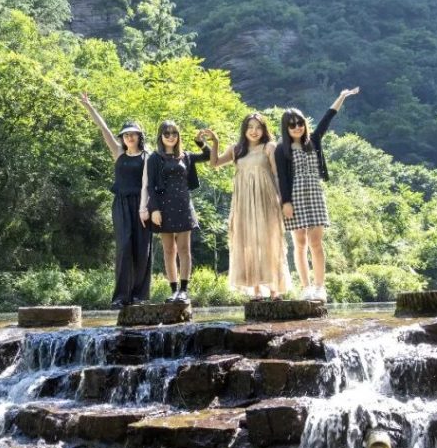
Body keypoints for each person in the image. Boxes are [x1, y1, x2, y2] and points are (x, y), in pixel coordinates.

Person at [276, 88, 359, 300]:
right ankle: (306, 287)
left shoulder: (313, 140)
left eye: (300, 123)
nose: (297, 127)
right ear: (286, 128)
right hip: (294, 198)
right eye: (292, 124)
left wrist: (342, 97)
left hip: (315, 195)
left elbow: (328, 117)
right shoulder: (281, 149)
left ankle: (320, 287)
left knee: (316, 242)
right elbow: (282, 178)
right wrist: (285, 202)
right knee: (300, 243)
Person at [203, 113, 290, 299]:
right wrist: (215, 142)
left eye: (258, 127)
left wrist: (283, 201)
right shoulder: (236, 149)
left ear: (264, 130)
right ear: (244, 129)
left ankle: (274, 289)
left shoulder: (269, 147)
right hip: (243, 203)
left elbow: (277, 175)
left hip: (267, 200)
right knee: (249, 243)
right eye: (250, 127)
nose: (254, 131)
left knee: (269, 241)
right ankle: (256, 289)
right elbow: (214, 163)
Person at [79, 93, 153, 309]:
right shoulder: (118, 152)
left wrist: (151, 208)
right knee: (124, 247)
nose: (129, 137)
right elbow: (104, 129)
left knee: (142, 249)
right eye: (126, 134)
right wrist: (89, 106)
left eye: (133, 134)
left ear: (139, 136)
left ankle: (139, 296)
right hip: (121, 205)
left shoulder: (148, 156)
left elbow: (151, 184)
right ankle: (121, 297)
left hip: (142, 205)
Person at [142, 121, 211, 304]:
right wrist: (154, 209)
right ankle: (173, 290)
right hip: (163, 208)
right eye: (167, 133)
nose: (171, 136)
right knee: (169, 250)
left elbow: (209, 155)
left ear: (178, 136)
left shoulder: (185, 156)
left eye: (174, 133)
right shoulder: (154, 158)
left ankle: (184, 291)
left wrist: (200, 142)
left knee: (184, 249)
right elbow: (150, 186)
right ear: (161, 136)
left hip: (183, 207)